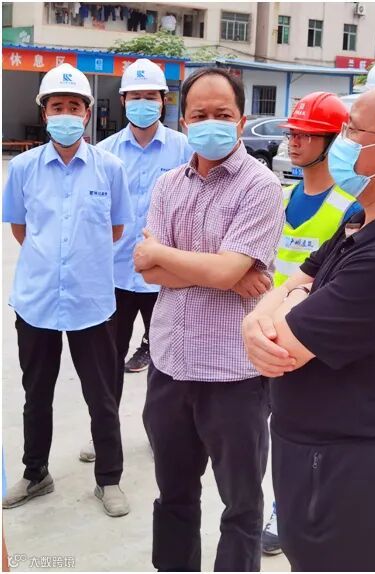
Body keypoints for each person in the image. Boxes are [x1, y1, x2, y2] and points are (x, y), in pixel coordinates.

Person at [242, 80, 375, 571]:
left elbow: (284, 345)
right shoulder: (367, 217)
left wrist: (277, 308)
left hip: (349, 476)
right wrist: (269, 310)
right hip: (321, 460)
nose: (340, 143)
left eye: (353, 131)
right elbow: (294, 281)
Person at [135, 68, 284, 571]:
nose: (210, 122)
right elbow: (147, 269)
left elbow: (172, 263)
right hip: (170, 366)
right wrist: (222, 272)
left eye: (223, 114)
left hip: (233, 376)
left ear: (241, 120)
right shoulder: (168, 185)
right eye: (199, 114)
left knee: (240, 504)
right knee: (173, 493)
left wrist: (173, 257)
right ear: (184, 120)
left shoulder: (261, 186)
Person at [2, 64, 132, 517]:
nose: (65, 114)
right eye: (57, 106)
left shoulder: (110, 168)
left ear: (87, 113)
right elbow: (21, 228)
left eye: (74, 106)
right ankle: (35, 473)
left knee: (102, 397)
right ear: (45, 113)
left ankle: (109, 479)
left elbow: (116, 229)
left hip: (91, 302)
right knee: (36, 394)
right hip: (36, 301)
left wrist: (80, 262)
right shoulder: (23, 168)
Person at [249, 91, 360, 556]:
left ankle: (287, 510)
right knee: (266, 434)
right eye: (292, 133)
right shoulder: (282, 196)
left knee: (308, 437)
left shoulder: (351, 207)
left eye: (307, 135)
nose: (293, 141)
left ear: (333, 142)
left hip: (313, 341)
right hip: (268, 333)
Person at [78, 59, 192, 464]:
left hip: (167, 276)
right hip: (115, 275)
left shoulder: (185, 149)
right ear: (123, 100)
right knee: (107, 361)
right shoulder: (104, 153)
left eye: (151, 96)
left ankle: (162, 432)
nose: (143, 103)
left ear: (164, 101)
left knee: (167, 360)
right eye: (135, 96)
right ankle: (104, 435)